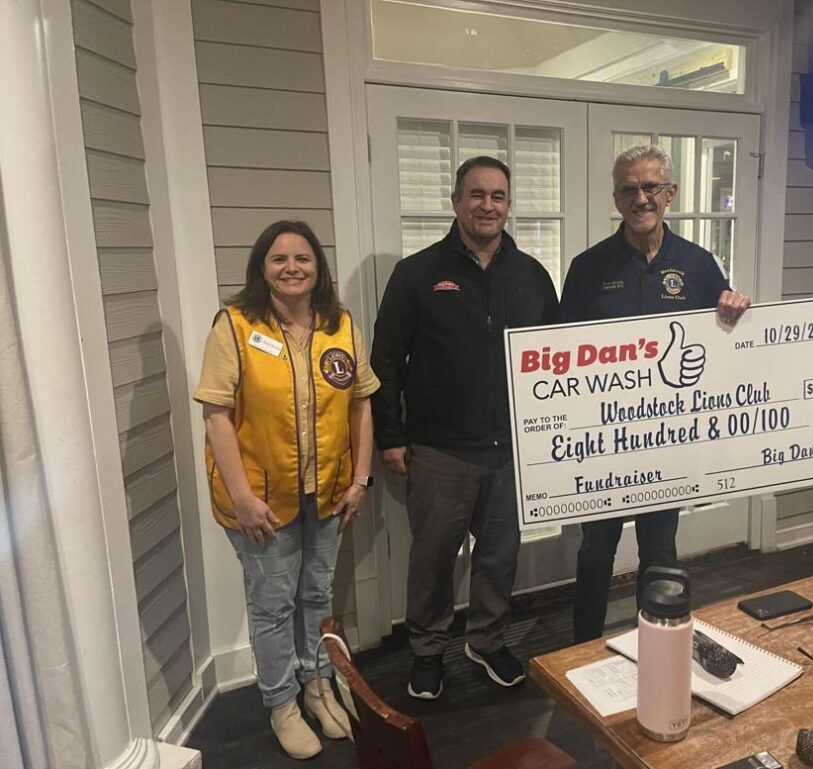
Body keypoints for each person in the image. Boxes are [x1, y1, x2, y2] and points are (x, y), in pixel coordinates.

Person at [371, 156, 558, 700]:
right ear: (456, 203)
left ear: (508, 205)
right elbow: (386, 361)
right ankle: (428, 649)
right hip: (439, 451)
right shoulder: (417, 274)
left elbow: (557, 360)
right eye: (476, 194)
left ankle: (485, 638)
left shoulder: (531, 276)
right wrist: (391, 436)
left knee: (499, 556)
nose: (487, 205)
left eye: (498, 196)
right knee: (432, 559)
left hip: (511, 450)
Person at [194, 220, 379, 760]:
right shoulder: (235, 325)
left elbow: (362, 403)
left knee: (317, 596)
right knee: (273, 604)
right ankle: (281, 703)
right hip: (260, 504)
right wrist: (244, 497)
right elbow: (216, 415)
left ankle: (319, 687)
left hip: (326, 494)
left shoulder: (340, 325)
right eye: (279, 259)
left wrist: (361, 478)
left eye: (303, 257)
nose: (292, 267)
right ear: (262, 268)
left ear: (317, 267)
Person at [559, 144, 751, 643]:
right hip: (602, 441)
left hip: (667, 440)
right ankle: (582, 651)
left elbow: (725, 338)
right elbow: (560, 353)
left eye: (650, 187)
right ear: (616, 198)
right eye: (629, 189)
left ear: (670, 193)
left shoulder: (698, 263)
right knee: (595, 550)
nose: (640, 198)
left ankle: (660, 643)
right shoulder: (586, 267)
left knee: (660, 550)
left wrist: (734, 308)